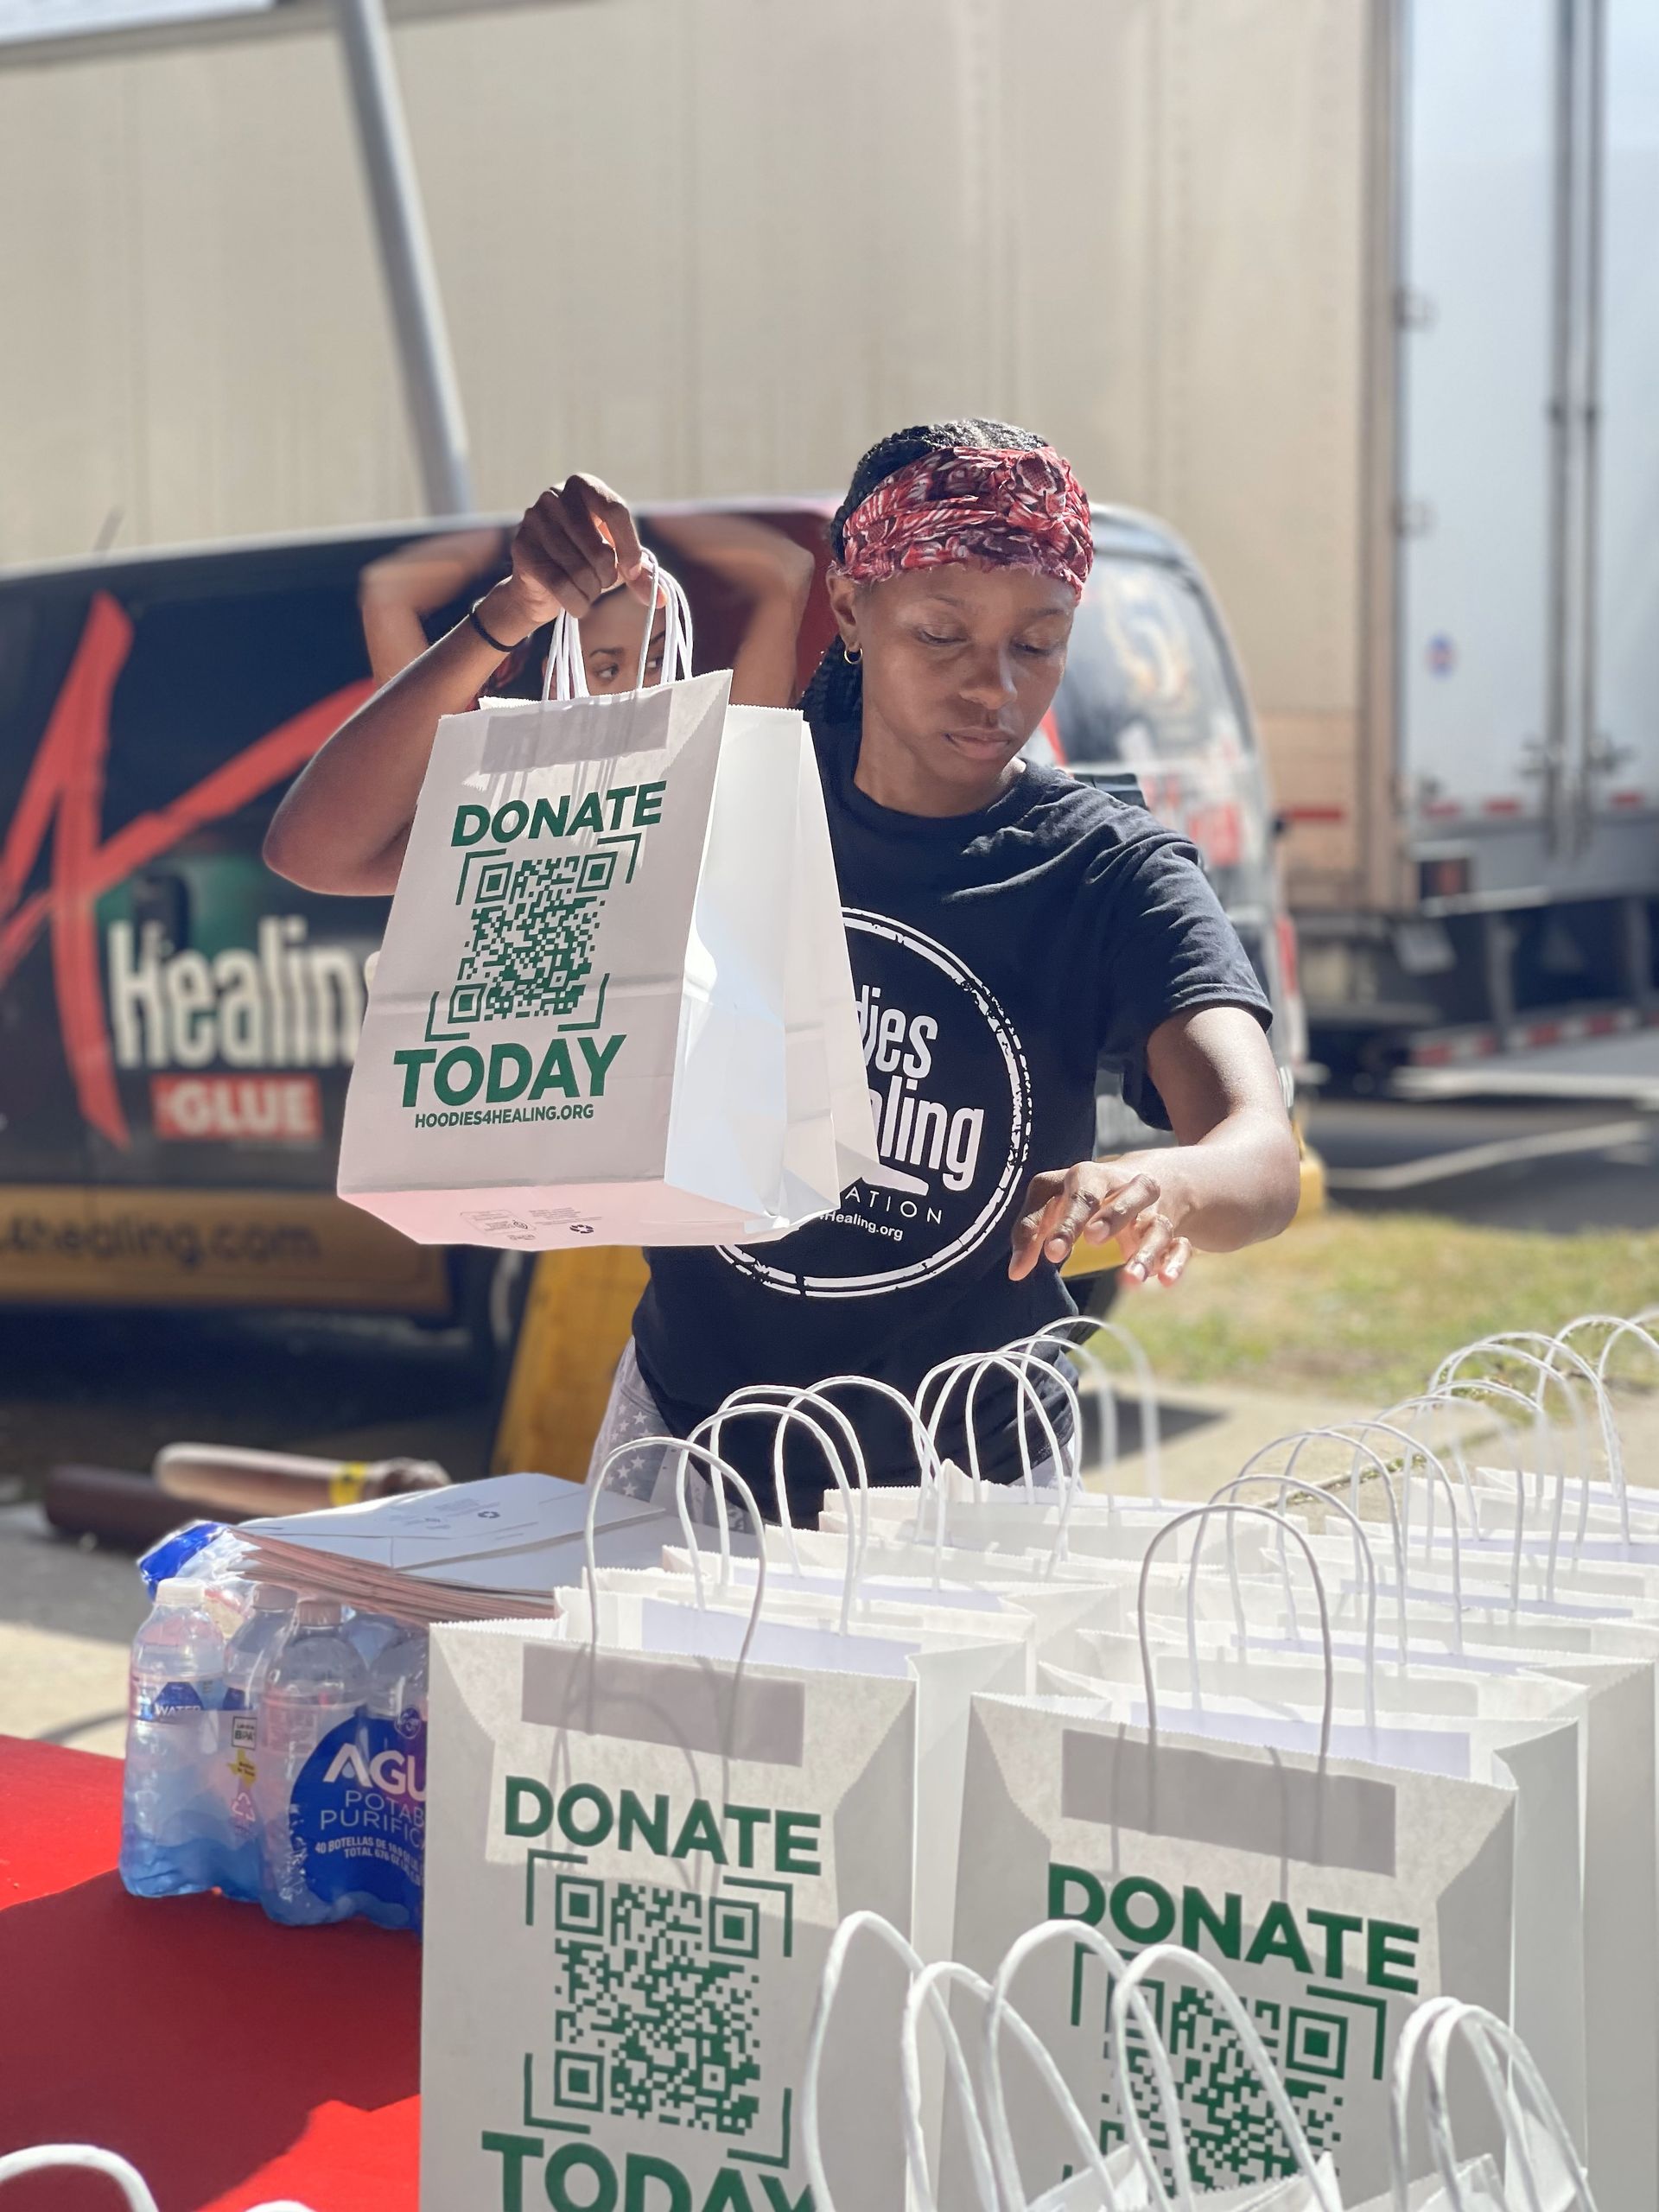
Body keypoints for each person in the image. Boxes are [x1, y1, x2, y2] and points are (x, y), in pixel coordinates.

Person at [266, 423, 1300, 1514]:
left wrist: (1170, 1184)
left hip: (974, 1488)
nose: (991, 687)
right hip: (688, 1451)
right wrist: (509, 614)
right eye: (941, 634)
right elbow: (322, 849)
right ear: (851, 608)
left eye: (1038, 645)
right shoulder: (722, 790)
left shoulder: (1108, 874)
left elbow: (1262, 1154)